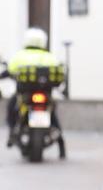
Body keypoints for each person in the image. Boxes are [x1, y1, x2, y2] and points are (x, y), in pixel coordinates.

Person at [4, 27, 65, 156]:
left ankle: (11, 132)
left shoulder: (19, 56)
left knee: (11, 107)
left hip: (25, 95)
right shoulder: (50, 57)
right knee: (53, 114)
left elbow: (10, 69)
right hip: (45, 95)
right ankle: (61, 144)